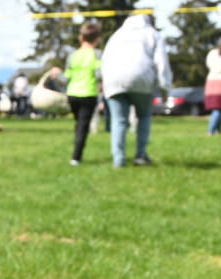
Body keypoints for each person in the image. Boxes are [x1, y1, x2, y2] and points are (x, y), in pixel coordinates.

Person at [100, 15, 171, 167]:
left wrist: (104, 83)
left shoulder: (117, 35)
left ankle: (118, 159)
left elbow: (105, 60)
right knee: (144, 116)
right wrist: (165, 89)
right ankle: (140, 155)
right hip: (142, 80)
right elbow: (162, 62)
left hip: (114, 81)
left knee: (118, 120)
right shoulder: (152, 34)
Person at [62, 21, 103, 165]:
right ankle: (76, 157)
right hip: (88, 93)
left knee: (78, 123)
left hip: (72, 94)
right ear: (97, 39)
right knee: (82, 126)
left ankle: (76, 151)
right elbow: (99, 75)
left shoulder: (72, 55)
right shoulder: (97, 55)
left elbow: (67, 77)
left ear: (81, 38)